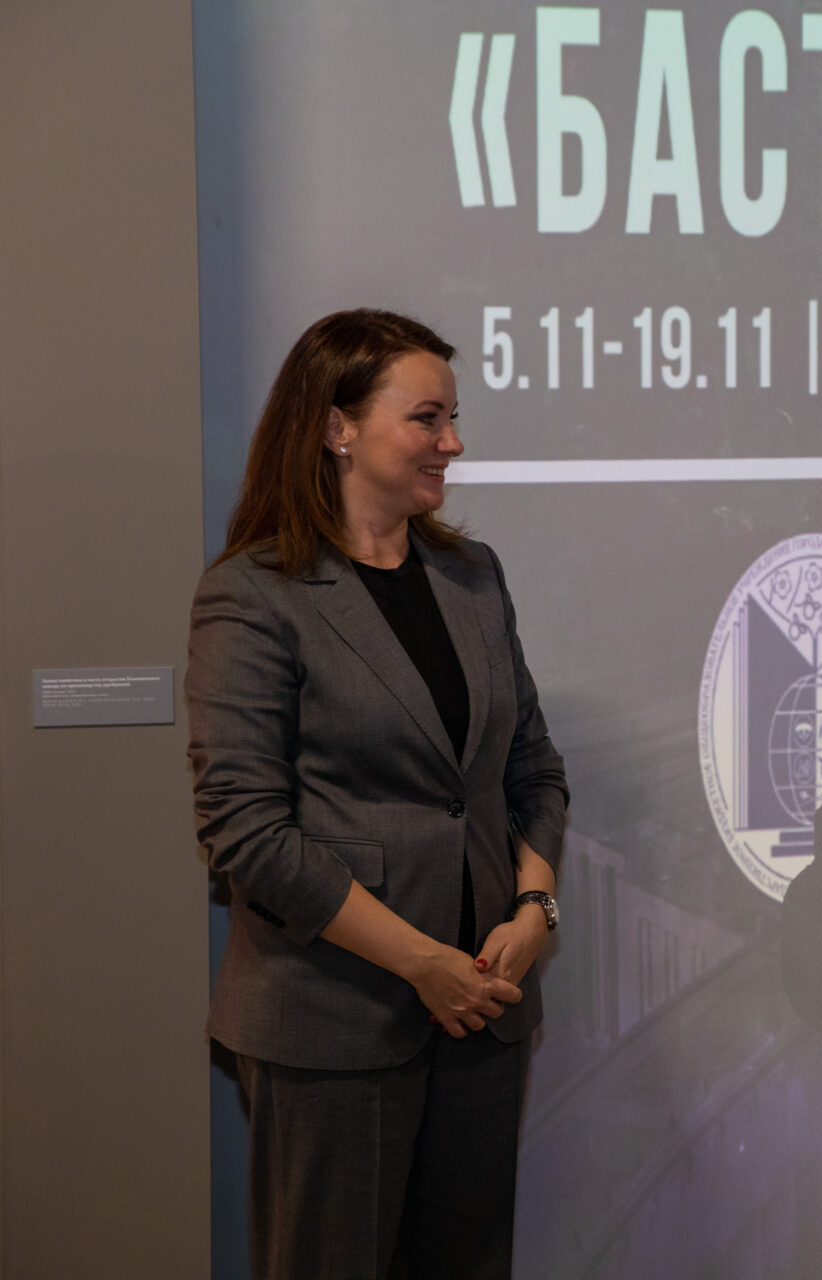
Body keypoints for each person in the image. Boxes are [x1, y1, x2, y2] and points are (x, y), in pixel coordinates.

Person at [186, 309, 568, 1280]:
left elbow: (532, 767)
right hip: (333, 1023)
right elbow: (245, 832)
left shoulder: (472, 576)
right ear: (337, 426)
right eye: (427, 418)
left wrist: (535, 906)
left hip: (484, 1015)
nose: (453, 442)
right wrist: (421, 962)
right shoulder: (255, 592)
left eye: (453, 418)